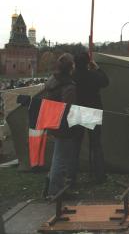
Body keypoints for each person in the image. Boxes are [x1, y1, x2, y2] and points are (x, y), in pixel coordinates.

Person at [73, 52, 109, 184]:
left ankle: (71, 177)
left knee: (75, 145)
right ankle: (100, 176)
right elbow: (105, 81)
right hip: (93, 111)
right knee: (96, 145)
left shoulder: (72, 76)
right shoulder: (93, 75)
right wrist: (97, 68)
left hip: (76, 111)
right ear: (88, 62)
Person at [45, 53, 76, 197]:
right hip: (63, 126)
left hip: (53, 122)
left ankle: (55, 186)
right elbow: (67, 108)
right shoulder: (68, 85)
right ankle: (56, 191)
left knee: (58, 156)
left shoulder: (52, 81)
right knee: (61, 159)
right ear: (70, 68)